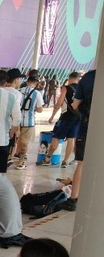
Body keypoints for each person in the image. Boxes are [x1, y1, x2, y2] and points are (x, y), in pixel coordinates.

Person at [59, 69, 96, 212]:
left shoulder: (89, 77)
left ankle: (73, 199)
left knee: (82, 163)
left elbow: (74, 105)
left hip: (88, 127)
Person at [45, 71, 82, 168]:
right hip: (77, 118)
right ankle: (65, 161)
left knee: (56, 137)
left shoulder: (66, 88)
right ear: (78, 79)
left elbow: (59, 103)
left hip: (65, 117)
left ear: (69, 78)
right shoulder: (81, 89)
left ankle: (48, 158)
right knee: (71, 139)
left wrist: (52, 116)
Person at [14, 73, 44, 170]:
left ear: (27, 82)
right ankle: (21, 162)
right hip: (29, 121)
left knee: (16, 140)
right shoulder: (37, 93)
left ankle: (13, 155)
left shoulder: (19, 91)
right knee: (25, 142)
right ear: (36, 83)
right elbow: (40, 109)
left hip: (16, 120)